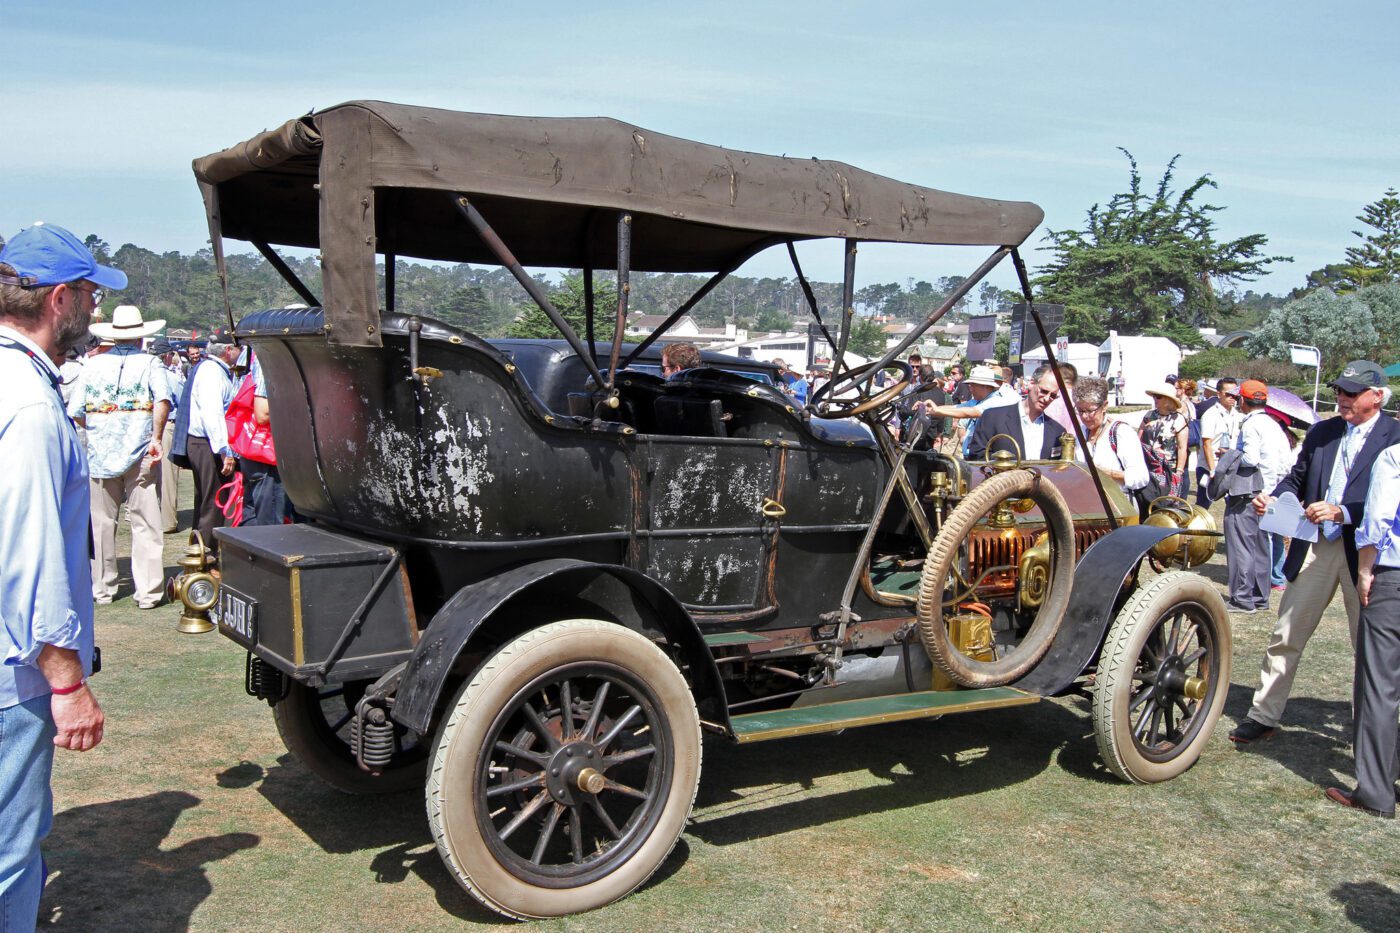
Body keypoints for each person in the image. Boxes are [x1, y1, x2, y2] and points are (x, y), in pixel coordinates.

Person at [0, 223, 114, 931]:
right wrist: (67, 682)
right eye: (92, 296)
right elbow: (29, 553)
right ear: (60, 298)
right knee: (9, 853)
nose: (95, 310)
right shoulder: (32, 406)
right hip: (12, 676)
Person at [1231, 361, 1400, 743]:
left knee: (1369, 646)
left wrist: (1344, 511)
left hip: (1368, 554)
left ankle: (1367, 728)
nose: (1341, 398)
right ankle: (1263, 714)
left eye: (1351, 393)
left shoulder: (1395, 436)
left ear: (1377, 397)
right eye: (1340, 390)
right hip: (1316, 546)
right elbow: (1297, 476)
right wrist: (1274, 499)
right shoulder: (1323, 431)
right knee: (1286, 632)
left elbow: (1393, 502)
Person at [66, 305, 171, 608]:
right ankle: (149, 592)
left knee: (101, 525)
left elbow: (76, 411)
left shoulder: (93, 365)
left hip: (101, 453)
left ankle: (103, 589)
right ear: (140, 337)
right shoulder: (151, 363)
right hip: (140, 452)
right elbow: (162, 400)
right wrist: (155, 435)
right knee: (146, 523)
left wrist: (100, 428)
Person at [1330, 441, 1400, 817]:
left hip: (1393, 576)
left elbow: (1377, 518)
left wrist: (1364, 570)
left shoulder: (1394, 456)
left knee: (1378, 686)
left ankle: (1375, 793)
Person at [1222, 380, 1290, 613]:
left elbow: (1250, 458)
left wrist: (1229, 456)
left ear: (1243, 400)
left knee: (1241, 545)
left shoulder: (1251, 425)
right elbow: (1285, 462)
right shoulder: (1273, 424)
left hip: (1248, 492)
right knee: (1262, 546)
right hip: (1270, 493)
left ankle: (1242, 598)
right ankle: (1260, 597)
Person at [180, 339, 240, 555]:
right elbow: (212, 413)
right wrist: (224, 450)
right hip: (208, 443)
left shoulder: (213, 370)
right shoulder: (211, 372)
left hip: (207, 443)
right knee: (213, 502)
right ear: (228, 350)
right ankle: (207, 555)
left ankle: (202, 551)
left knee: (210, 499)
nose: (240, 352)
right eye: (238, 349)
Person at [967, 364, 1064, 460]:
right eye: (1044, 391)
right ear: (1031, 383)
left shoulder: (1057, 431)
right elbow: (978, 456)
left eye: (1053, 396)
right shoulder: (992, 417)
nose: (1047, 399)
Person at [1071, 376, 1149, 497]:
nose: (1085, 416)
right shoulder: (1080, 432)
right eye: (1080, 410)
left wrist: (1106, 473)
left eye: (1090, 410)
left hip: (1117, 506)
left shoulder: (1121, 433)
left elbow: (1141, 477)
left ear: (1105, 406)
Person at [151, 339, 187, 533]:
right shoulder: (171, 378)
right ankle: (167, 522)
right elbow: (182, 403)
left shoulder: (145, 373)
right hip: (166, 426)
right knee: (167, 477)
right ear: (166, 356)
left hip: (147, 425)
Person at [1139, 383, 1189, 503]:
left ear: (1168, 400)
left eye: (1159, 397)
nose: (1155, 399)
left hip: (1168, 469)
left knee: (1167, 503)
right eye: (1154, 396)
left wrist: (1179, 471)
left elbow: (1182, 448)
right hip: (1148, 467)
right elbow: (1139, 438)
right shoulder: (1149, 416)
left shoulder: (1178, 419)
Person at [1197, 377, 1241, 506]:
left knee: (1232, 503)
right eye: (1228, 394)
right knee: (1203, 504)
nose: (1232, 397)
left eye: (1235, 394)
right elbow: (1206, 444)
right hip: (1210, 466)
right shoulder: (1211, 414)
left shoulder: (1236, 414)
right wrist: (1212, 470)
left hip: (1228, 465)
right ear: (1219, 393)